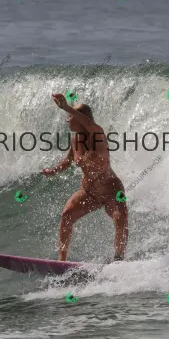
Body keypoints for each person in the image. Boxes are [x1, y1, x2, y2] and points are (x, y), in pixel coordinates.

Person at [43, 93, 129, 262]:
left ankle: (119, 259)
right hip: (89, 192)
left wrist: (66, 107)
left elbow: (89, 124)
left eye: (70, 116)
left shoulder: (98, 136)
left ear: (81, 119)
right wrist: (52, 171)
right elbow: (68, 161)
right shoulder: (75, 141)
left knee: (120, 219)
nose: (67, 119)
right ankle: (62, 261)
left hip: (111, 190)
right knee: (67, 215)